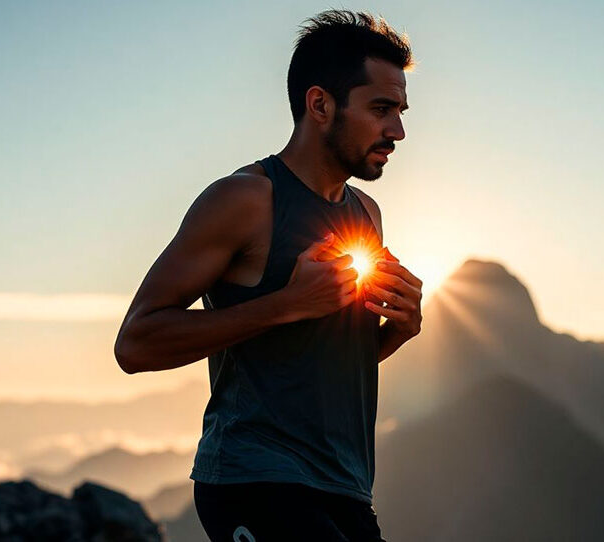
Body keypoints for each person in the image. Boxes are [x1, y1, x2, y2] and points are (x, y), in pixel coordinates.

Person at [114, 9, 422, 541]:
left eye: (400, 111)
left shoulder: (366, 215)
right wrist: (285, 303)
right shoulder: (246, 200)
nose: (397, 131)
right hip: (252, 481)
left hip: (344, 488)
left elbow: (310, 362)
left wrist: (398, 330)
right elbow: (136, 344)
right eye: (381, 109)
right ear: (320, 104)